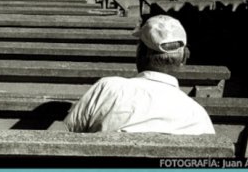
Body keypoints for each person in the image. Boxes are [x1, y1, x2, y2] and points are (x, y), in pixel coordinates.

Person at [64, 15, 215, 135]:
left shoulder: (107, 89)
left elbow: (65, 135)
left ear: (140, 53)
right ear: (183, 59)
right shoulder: (198, 117)